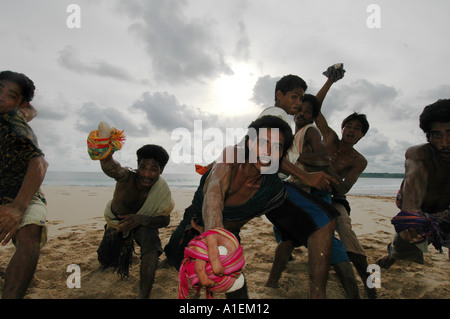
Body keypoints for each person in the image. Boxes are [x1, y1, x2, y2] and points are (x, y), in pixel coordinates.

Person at [314, 66, 375, 298]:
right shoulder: (329, 137)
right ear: (342, 128)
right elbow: (314, 109)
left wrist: (325, 165)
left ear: (361, 136)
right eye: (348, 126)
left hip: (334, 198)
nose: (351, 130)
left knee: (346, 231)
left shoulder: (359, 161)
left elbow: (343, 188)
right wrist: (330, 81)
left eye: (357, 129)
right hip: (310, 190)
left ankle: (370, 286)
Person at [90, 139, 174, 299]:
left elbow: (165, 220)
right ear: (137, 166)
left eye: (153, 170)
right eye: (143, 167)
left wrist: (141, 219)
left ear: (161, 170)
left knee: (152, 247)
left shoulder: (161, 189)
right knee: (106, 261)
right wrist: (104, 153)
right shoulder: (126, 177)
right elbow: (111, 168)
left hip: (144, 224)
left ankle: (144, 296)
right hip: (117, 225)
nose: (146, 174)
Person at [377, 99, 450, 268]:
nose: (445, 142)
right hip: (419, 210)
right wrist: (410, 218)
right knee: (401, 248)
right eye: (437, 135)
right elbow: (413, 183)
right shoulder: (421, 154)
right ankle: (391, 257)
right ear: (429, 136)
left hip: (447, 212)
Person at [0, 71, 49, 299]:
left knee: (30, 233)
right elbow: (32, 110)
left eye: (10, 95)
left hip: (21, 192)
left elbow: (39, 163)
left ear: (19, 103)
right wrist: (26, 110)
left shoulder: (12, 124)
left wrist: (18, 208)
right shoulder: (17, 112)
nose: (1, 97)